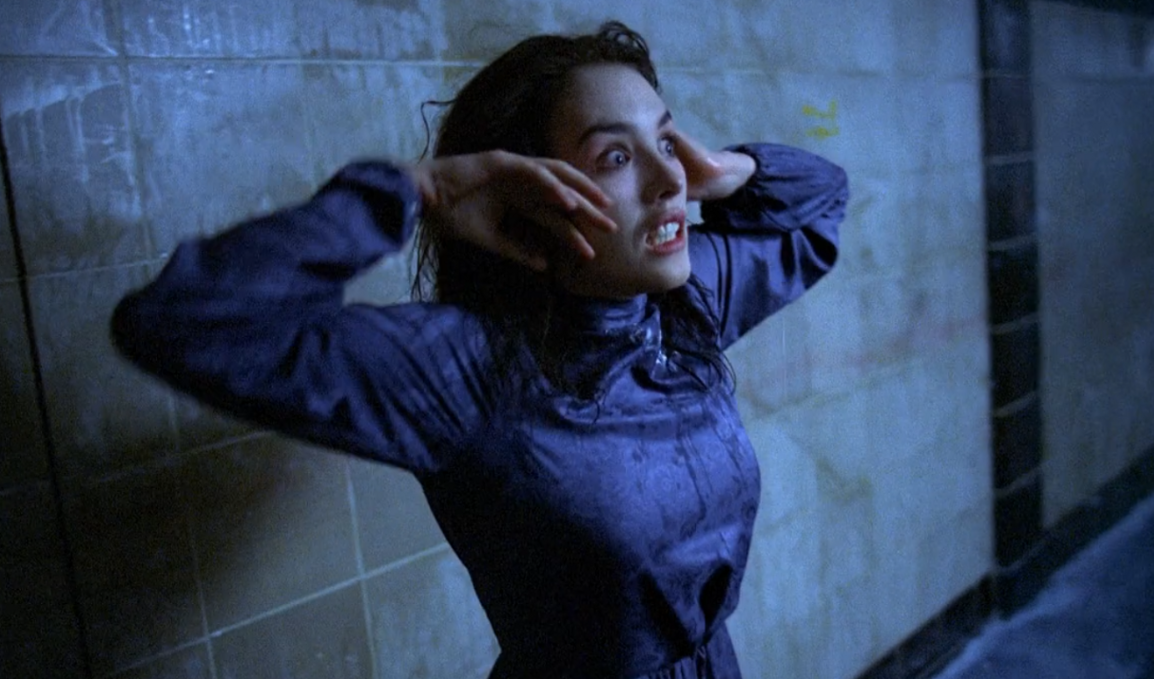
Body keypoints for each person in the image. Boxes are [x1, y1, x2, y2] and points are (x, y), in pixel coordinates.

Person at [111, 21, 847, 679]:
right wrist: (418, 192)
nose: (670, 181)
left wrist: (725, 170)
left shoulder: (683, 304)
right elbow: (182, 322)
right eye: (617, 156)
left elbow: (822, 207)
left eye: (665, 140)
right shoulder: (464, 368)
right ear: (530, 189)